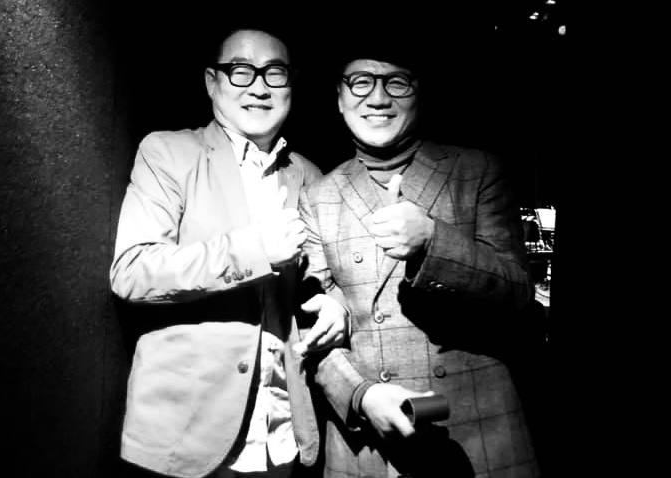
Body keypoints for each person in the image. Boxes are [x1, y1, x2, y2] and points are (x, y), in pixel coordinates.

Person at [296, 38, 541, 477]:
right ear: (339, 97)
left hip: (474, 430)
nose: (377, 97)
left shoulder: (476, 172)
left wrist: (433, 241)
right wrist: (361, 396)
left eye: (396, 82)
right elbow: (312, 334)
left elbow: (518, 292)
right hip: (367, 446)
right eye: (361, 82)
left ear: (420, 92)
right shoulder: (318, 196)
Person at [110, 27, 346, 478]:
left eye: (274, 73)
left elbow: (320, 282)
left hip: (282, 434)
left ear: (291, 84)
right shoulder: (169, 152)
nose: (258, 87)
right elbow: (133, 271)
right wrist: (254, 250)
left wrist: (336, 307)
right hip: (186, 435)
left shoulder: (309, 175)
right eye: (241, 71)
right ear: (211, 82)